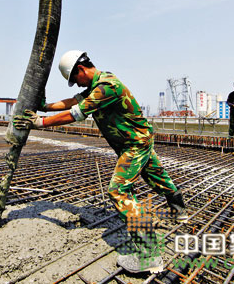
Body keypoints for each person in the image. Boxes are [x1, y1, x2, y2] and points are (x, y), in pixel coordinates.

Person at [13, 50, 187, 273]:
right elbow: (72, 101)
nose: (76, 84)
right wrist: (45, 107)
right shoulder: (97, 87)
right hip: (137, 140)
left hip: (135, 144)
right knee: (156, 175)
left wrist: (40, 122)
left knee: (119, 191)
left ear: (81, 70)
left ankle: (149, 255)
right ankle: (179, 208)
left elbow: (76, 112)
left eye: (74, 79)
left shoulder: (107, 87)